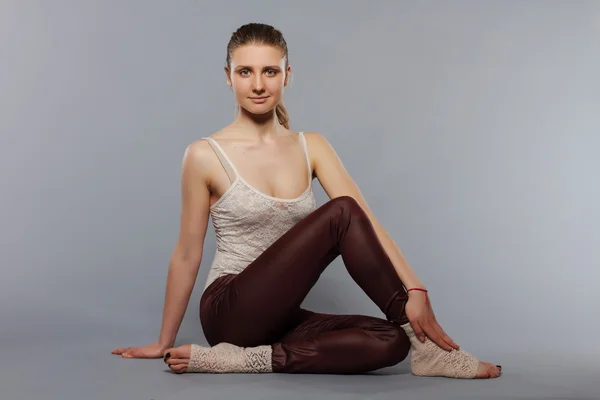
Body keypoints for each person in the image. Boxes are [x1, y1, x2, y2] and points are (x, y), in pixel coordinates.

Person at [112, 23, 501, 379]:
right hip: (229, 311)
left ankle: (240, 360)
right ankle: (429, 347)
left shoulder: (310, 146)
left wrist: (417, 290)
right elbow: (186, 254)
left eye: (270, 71)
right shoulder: (204, 154)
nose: (258, 84)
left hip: (279, 319)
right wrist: (164, 341)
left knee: (388, 341)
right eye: (245, 72)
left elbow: (367, 222)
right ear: (228, 77)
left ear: (287, 75)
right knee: (340, 212)